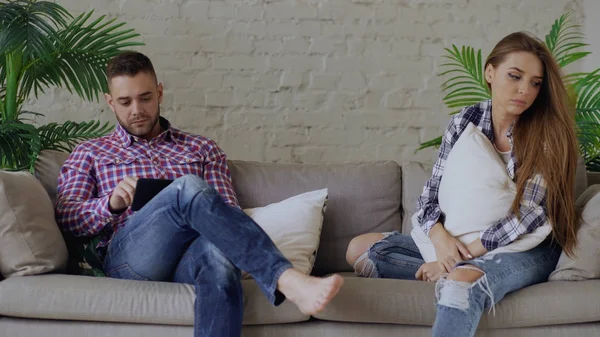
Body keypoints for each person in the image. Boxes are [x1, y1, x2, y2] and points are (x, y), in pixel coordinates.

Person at [55, 51, 344, 337]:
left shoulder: (201, 148)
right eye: (124, 101)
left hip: (190, 258)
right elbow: (67, 218)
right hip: (130, 259)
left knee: (218, 250)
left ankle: (282, 278)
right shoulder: (91, 153)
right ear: (109, 102)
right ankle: (286, 278)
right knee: (187, 186)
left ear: (160, 93)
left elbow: (227, 212)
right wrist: (111, 204)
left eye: (145, 98)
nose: (136, 109)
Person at [345, 31, 580, 337]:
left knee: (459, 284)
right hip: (460, 242)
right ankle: (453, 269)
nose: (524, 89)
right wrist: (440, 239)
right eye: (514, 76)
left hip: (527, 247)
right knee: (359, 249)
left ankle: (459, 275)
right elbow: (429, 196)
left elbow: (529, 216)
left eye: (535, 83)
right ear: (490, 72)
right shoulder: (464, 121)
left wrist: (457, 260)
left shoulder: (548, 134)